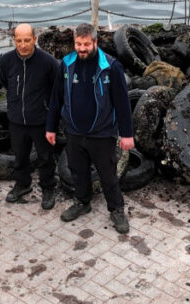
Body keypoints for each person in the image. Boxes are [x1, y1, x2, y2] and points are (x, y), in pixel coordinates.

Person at [46, 23, 134, 234]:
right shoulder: (66, 64)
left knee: (108, 175)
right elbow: (56, 99)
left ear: (95, 42)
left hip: (102, 133)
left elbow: (122, 103)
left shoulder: (111, 66)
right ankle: (82, 202)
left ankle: (116, 209)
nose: (82, 48)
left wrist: (127, 134)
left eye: (86, 44)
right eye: (78, 44)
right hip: (74, 131)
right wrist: (51, 128)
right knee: (78, 171)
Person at [0, 23, 59, 209]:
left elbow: (56, 92)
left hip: (41, 120)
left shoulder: (49, 63)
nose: (23, 45)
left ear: (35, 39)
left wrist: (52, 119)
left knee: (45, 157)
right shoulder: (6, 61)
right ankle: (22, 184)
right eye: (19, 41)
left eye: (27, 40)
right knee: (20, 156)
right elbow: (5, 82)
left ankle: (48, 187)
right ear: (14, 40)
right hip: (16, 120)